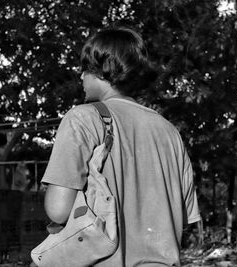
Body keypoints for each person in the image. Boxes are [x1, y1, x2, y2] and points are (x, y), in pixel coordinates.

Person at [41, 26, 201, 266]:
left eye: (85, 69)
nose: (81, 77)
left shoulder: (83, 118)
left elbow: (58, 210)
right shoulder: (170, 132)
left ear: (103, 70)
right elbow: (185, 217)